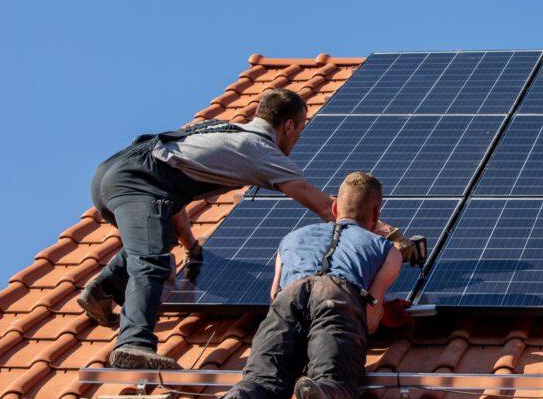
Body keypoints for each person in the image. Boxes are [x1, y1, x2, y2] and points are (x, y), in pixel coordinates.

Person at [78, 89, 423, 370]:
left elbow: (171, 202)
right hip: (137, 182)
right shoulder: (259, 152)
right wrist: (389, 235)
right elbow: (326, 207)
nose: (299, 137)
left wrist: (192, 248)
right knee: (152, 261)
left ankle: (104, 289)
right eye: (300, 128)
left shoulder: (221, 130)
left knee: (155, 240)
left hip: (117, 173)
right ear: (288, 126)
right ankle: (133, 345)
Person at [207, 171, 413, 399]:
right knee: (336, 377)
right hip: (338, 297)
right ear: (377, 213)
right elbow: (371, 311)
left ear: (334, 208)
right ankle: (323, 398)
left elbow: (274, 295)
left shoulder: (291, 238)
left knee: (263, 379)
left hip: (289, 297)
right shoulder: (387, 250)